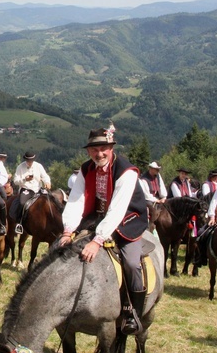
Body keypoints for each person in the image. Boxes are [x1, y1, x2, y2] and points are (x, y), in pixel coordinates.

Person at [57, 126, 149, 335]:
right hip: (96, 217)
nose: (100, 153)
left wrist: (97, 241)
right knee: (60, 248)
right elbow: (76, 200)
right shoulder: (86, 169)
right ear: (88, 151)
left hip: (127, 219)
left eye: (104, 148)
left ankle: (133, 312)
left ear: (111, 148)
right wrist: (68, 230)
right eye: (95, 149)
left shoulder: (126, 171)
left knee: (133, 263)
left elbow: (117, 209)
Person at [10, 151, 52, 234]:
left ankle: (50, 222)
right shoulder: (20, 167)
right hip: (26, 189)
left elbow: (45, 176)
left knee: (50, 201)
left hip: (38, 189)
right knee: (22, 203)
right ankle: (20, 223)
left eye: (31, 160)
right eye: (28, 160)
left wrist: (47, 182)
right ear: (25, 159)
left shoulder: (38, 166)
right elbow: (15, 181)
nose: (29, 162)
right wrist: (25, 179)